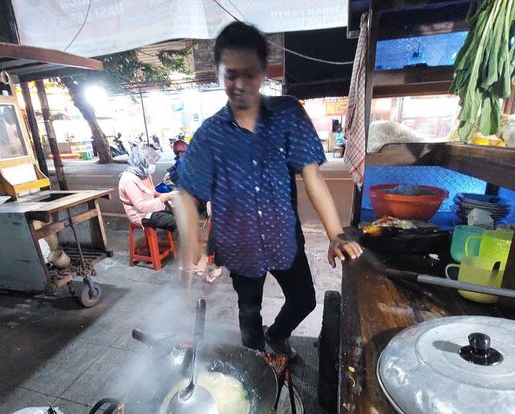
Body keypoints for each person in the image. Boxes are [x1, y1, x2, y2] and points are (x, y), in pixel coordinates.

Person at [175, 21, 362, 360]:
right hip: (240, 246)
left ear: (264, 72)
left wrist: (335, 234)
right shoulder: (210, 134)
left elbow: (312, 176)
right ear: (218, 73)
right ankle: (255, 361)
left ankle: (277, 335)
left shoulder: (288, 114)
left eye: (249, 73)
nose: (240, 84)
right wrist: (191, 251)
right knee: (249, 311)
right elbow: (186, 193)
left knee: (304, 300)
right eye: (231, 74)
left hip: (284, 240)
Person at [118, 144, 176, 231]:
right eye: (151, 162)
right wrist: (163, 198)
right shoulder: (129, 180)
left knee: (181, 212)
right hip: (141, 214)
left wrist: (169, 196)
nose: (153, 164)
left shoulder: (145, 173)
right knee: (176, 222)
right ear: (142, 161)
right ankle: (185, 241)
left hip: (153, 206)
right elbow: (141, 206)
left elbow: (154, 193)